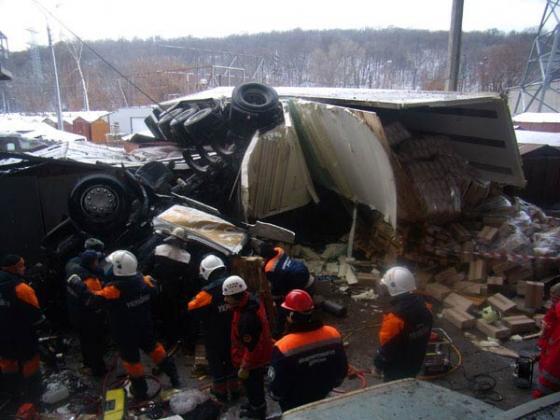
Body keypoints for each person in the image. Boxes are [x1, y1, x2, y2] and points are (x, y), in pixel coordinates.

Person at [72, 250, 181, 400]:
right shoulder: (143, 281)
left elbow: (92, 300)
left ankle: (141, 391)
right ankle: (174, 377)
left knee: (132, 362)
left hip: (125, 332)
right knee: (156, 350)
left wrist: (78, 284)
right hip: (144, 326)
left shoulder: (115, 290)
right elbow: (154, 289)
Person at [269, 289, 348, 412]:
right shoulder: (333, 333)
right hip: (324, 395)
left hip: (295, 404)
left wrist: (276, 395)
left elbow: (277, 389)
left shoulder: (283, 347)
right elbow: (342, 370)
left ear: (290, 315)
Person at [188, 255, 239, 401]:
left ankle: (221, 394)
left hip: (214, 336)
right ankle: (235, 390)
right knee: (232, 362)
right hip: (233, 332)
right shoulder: (233, 283)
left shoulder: (207, 293)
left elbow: (191, 308)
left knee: (217, 365)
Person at [222, 275, 273, 419]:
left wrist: (245, 366)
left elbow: (253, 347)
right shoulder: (250, 301)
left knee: (253, 386)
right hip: (255, 355)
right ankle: (253, 403)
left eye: (227, 297)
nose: (225, 300)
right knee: (252, 385)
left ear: (236, 296)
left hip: (252, 361)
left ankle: (257, 410)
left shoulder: (247, 318)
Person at [0, 254, 45, 407]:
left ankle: (14, 397)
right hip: (23, 336)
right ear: (15, 268)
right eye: (22, 265)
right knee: (30, 364)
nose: (24, 268)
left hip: (2, 339)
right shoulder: (22, 289)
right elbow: (37, 317)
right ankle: (34, 400)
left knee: (8, 364)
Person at [373, 266, 433, 382]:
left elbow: (387, 348)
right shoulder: (425, 306)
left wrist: (378, 365)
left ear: (393, 287)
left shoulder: (394, 317)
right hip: (416, 362)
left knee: (393, 390)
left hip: (396, 369)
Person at [65, 250, 107, 376]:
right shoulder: (91, 281)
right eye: (97, 261)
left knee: (85, 341)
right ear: (93, 263)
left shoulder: (74, 273)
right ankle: (99, 370)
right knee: (95, 344)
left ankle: (88, 364)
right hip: (90, 318)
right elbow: (97, 301)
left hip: (76, 313)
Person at [259, 243, 314, 338]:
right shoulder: (279, 251)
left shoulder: (271, 269)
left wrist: (275, 300)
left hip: (298, 282)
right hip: (303, 271)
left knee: (282, 307)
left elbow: (277, 288)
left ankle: (277, 333)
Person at [534, 283, 560, 398]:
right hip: (550, 354)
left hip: (553, 368)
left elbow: (553, 368)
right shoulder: (554, 312)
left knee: (548, 379)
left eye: (554, 297)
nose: (551, 299)